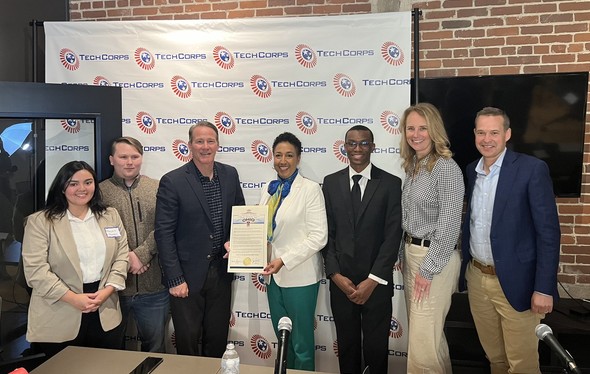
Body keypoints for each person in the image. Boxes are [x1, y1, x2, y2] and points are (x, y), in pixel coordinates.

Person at [460, 107, 560, 374]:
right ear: (474, 135)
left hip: (519, 284)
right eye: (481, 132)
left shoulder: (531, 169)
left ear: (507, 134)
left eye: (494, 132)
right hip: (479, 280)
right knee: (496, 359)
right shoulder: (472, 170)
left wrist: (544, 287)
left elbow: (548, 233)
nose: (487, 139)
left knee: (522, 365)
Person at [155, 121, 245, 357]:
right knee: (188, 340)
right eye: (199, 141)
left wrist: (233, 240)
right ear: (189, 146)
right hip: (186, 277)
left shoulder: (230, 174)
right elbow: (163, 234)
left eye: (210, 141)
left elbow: (240, 216)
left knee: (217, 339)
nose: (205, 146)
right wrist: (175, 279)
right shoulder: (172, 181)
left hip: (221, 272)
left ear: (217, 144)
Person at [22, 160, 129, 358]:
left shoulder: (110, 215)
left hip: (104, 306)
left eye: (88, 182)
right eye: (73, 183)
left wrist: (108, 289)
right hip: (60, 308)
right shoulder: (40, 222)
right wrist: (73, 298)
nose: (82, 188)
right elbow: (35, 271)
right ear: (62, 187)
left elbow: (122, 256)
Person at [322, 125, 402, 374]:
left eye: (364, 143)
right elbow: (327, 234)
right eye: (352, 143)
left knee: (376, 350)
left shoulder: (390, 183)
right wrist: (335, 275)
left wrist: (373, 280)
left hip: (376, 284)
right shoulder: (330, 182)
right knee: (347, 348)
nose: (358, 149)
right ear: (344, 147)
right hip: (341, 283)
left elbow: (392, 237)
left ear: (373, 147)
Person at [399, 103, 464, 373]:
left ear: (434, 130)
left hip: (434, 261)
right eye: (410, 128)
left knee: (423, 343)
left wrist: (429, 268)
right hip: (413, 255)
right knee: (429, 340)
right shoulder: (414, 165)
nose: (416, 134)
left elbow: (449, 225)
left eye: (422, 128)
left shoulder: (446, 168)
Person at [258, 132, 327, 371]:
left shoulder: (310, 189)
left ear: (298, 158)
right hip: (272, 278)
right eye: (278, 155)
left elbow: (319, 236)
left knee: (301, 343)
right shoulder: (268, 190)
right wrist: (241, 250)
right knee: (283, 339)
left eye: (289, 155)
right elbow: (260, 232)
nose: (283, 160)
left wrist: (283, 260)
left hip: (300, 276)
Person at [100, 136, 169, 352]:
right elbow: (96, 234)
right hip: (113, 289)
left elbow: (167, 226)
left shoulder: (159, 188)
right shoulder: (99, 192)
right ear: (112, 160)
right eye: (123, 157)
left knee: (155, 349)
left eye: (134, 156)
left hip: (154, 288)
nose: (129, 162)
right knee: (110, 351)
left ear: (141, 159)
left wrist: (142, 254)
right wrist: (128, 258)